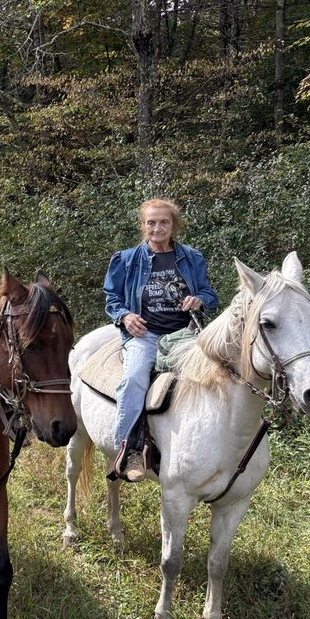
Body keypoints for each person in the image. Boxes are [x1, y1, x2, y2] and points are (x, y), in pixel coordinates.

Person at [103, 198, 218, 481]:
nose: (157, 228)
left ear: (173, 225)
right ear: (143, 226)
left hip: (183, 336)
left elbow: (210, 295)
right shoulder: (126, 260)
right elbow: (112, 298)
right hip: (145, 335)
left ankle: (207, 445)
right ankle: (129, 450)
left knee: (214, 377)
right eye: (151, 222)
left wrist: (198, 300)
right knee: (133, 381)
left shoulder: (192, 258)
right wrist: (125, 317)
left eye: (164, 222)